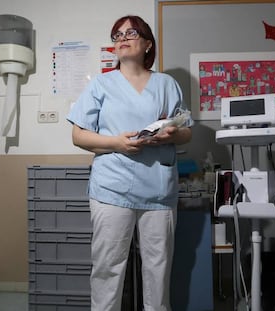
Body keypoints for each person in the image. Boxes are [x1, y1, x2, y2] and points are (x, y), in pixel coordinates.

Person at [66, 15, 193, 311]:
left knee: (158, 271)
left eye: (131, 32)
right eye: (117, 35)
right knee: (108, 269)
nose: (122, 38)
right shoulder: (101, 84)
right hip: (112, 190)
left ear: (148, 43)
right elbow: (78, 135)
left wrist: (172, 135)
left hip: (159, 192)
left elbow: (187, 130)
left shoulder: (167, 84)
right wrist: (117, 144)